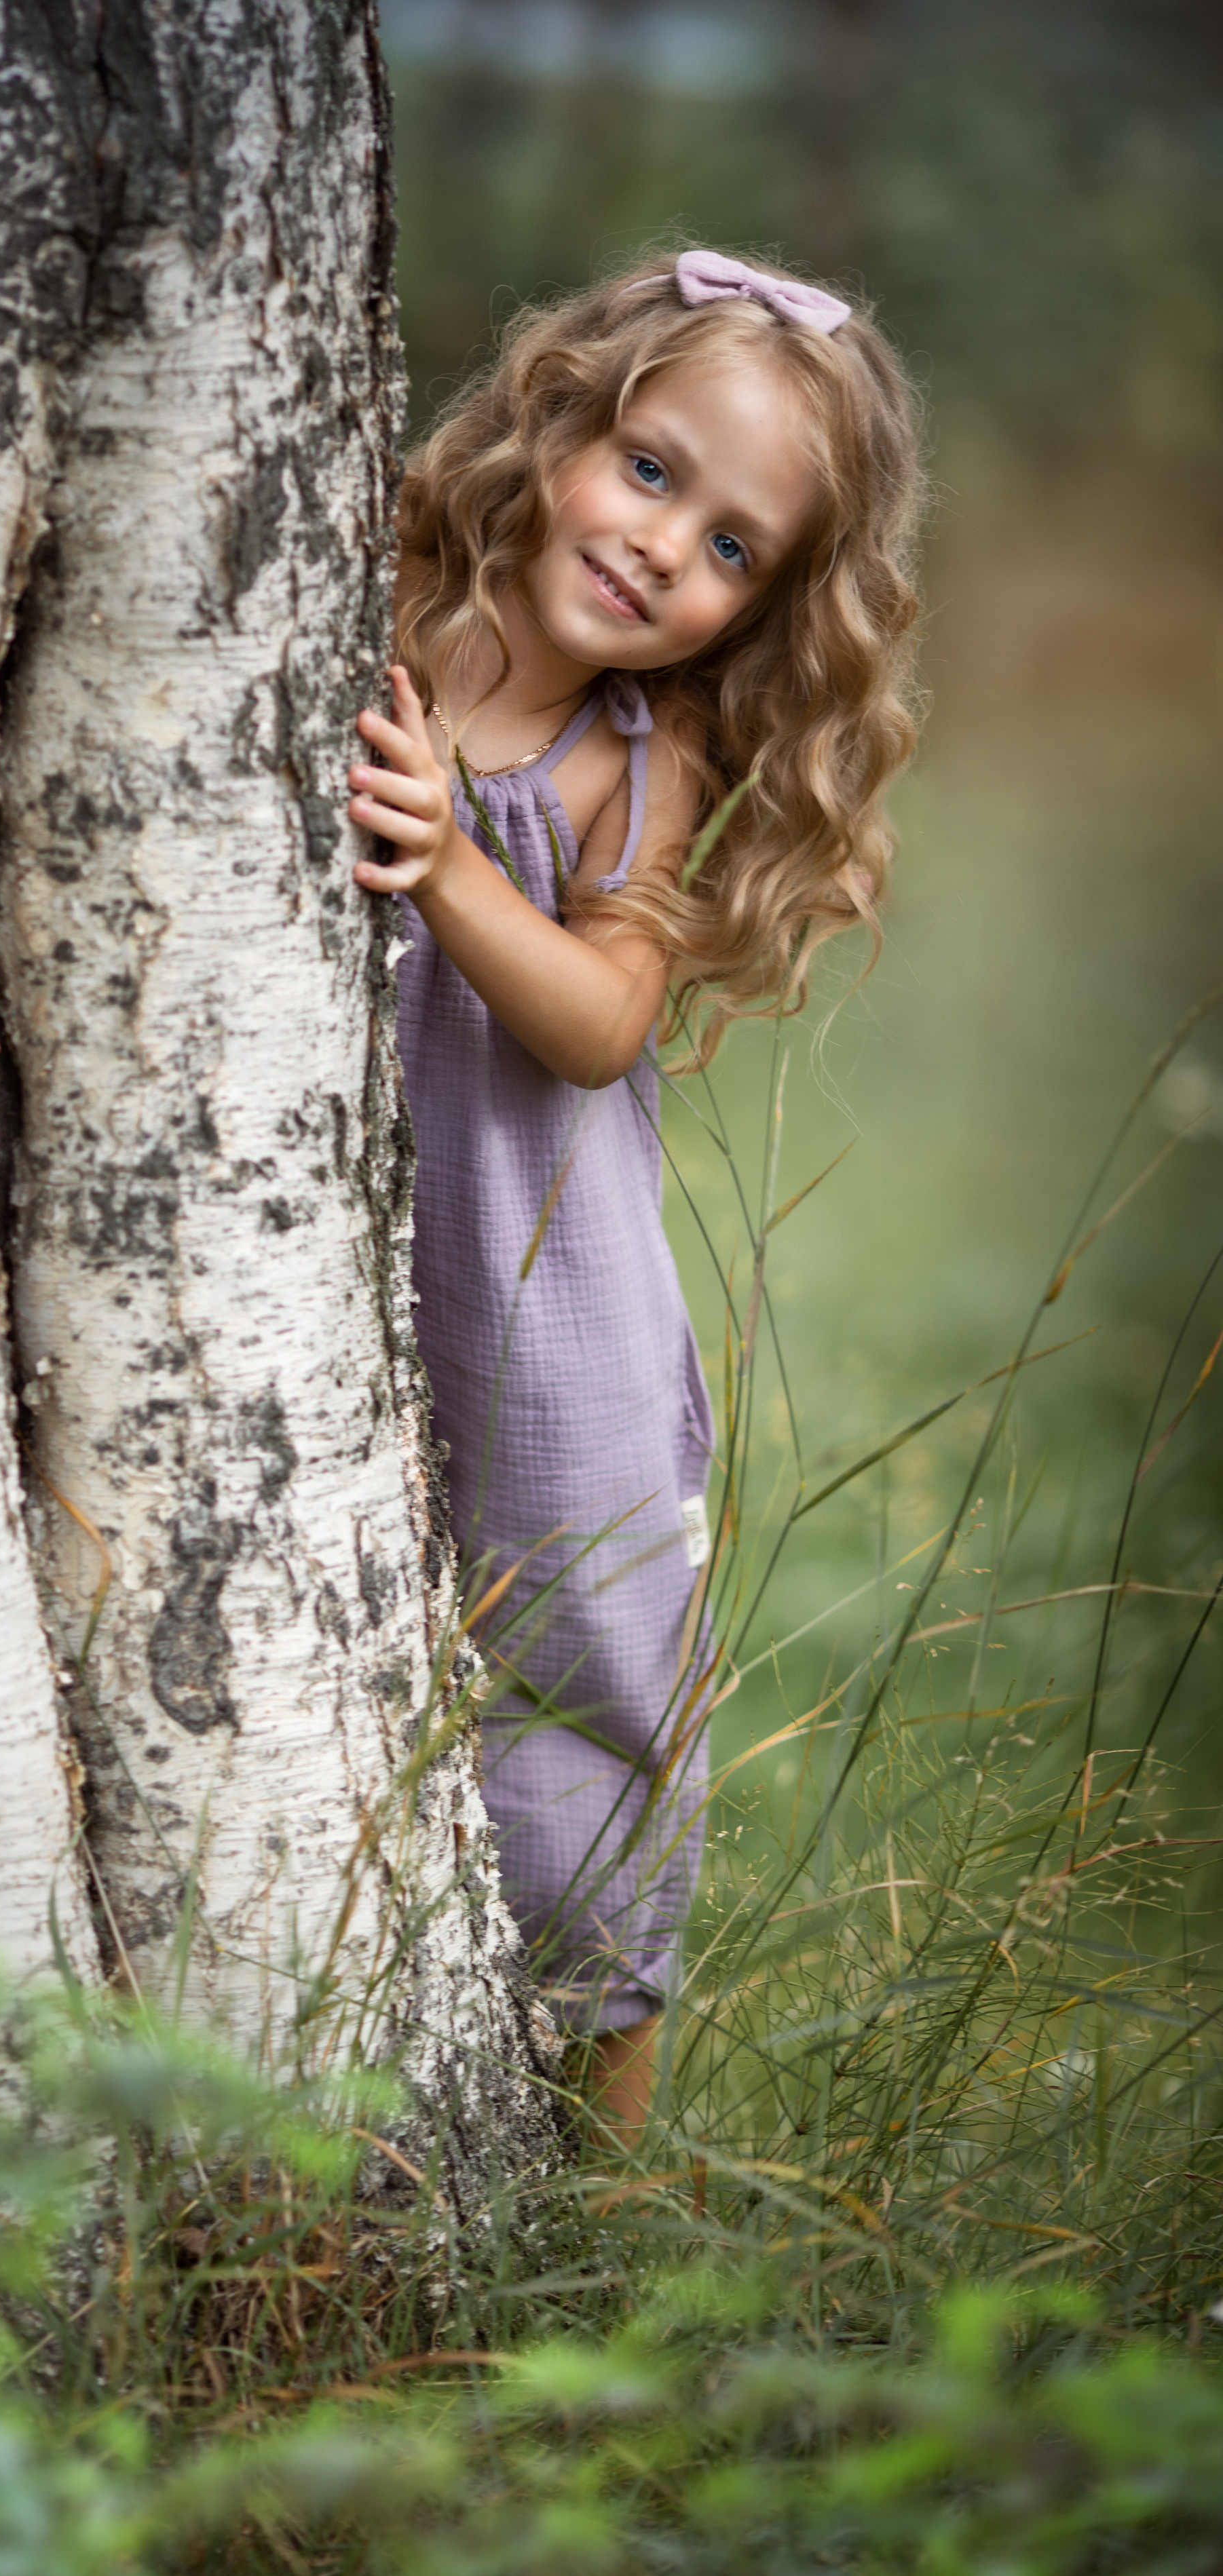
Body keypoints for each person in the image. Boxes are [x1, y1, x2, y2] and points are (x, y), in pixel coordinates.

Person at [347, 248, 922, 2141]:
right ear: (561, 421)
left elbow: (599, 1019)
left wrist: (448, 868)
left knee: (583, 1647)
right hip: (343, 1251)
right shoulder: (387, 605)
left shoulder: (641, 755)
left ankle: (608, 2119)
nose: (670, 550)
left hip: (542, 1275)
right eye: (654, 471)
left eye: (739, 548)